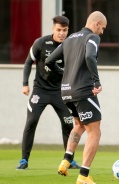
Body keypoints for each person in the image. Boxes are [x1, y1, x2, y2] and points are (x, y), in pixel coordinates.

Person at [45, 11, 107, 184]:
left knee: (78, 125)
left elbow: (49, 60)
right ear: (96, 24)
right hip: (83, 91)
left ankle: (66, 160)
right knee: (95, 131)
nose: (102, 32)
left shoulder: (70, 38)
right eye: (102, 28)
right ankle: (84, 175)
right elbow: (89, 56)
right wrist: (96, 82)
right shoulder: (92, 38)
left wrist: (65, 75)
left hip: (66, 92)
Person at [16, 16, 80, 170]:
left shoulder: (71, 46)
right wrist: (25, 84)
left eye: (64, 30)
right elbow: (27, 62)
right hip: (41, 90)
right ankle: (24, 160)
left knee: (68, 124)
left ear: (68, 30)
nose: (61, 33)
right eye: (59, 30)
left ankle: (69, 160)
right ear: (53, 29)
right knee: (31, 122)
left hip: (61, 92)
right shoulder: (41, 43)